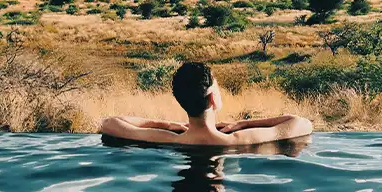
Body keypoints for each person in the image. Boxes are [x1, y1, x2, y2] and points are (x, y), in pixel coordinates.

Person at [99, 62, 313, 145]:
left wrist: (165, 125)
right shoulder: (240, 140)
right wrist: (243, 124)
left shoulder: (167, 139)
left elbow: (110, 123)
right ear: (212, 98)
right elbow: (302, 124)